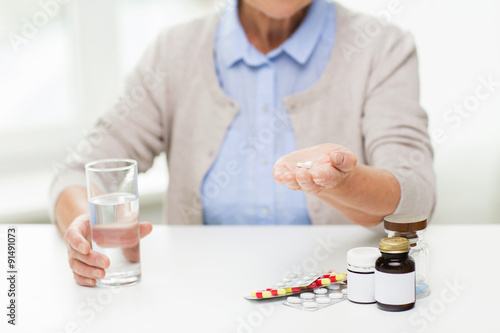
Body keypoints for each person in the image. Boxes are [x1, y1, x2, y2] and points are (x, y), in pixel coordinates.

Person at [51, 0, 436, 286]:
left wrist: (343, 182)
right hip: (198, 295)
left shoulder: (382, 47)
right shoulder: (175, 51)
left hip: (340, 297)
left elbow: (416, 197)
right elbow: (76, 172)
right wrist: (83, 228)